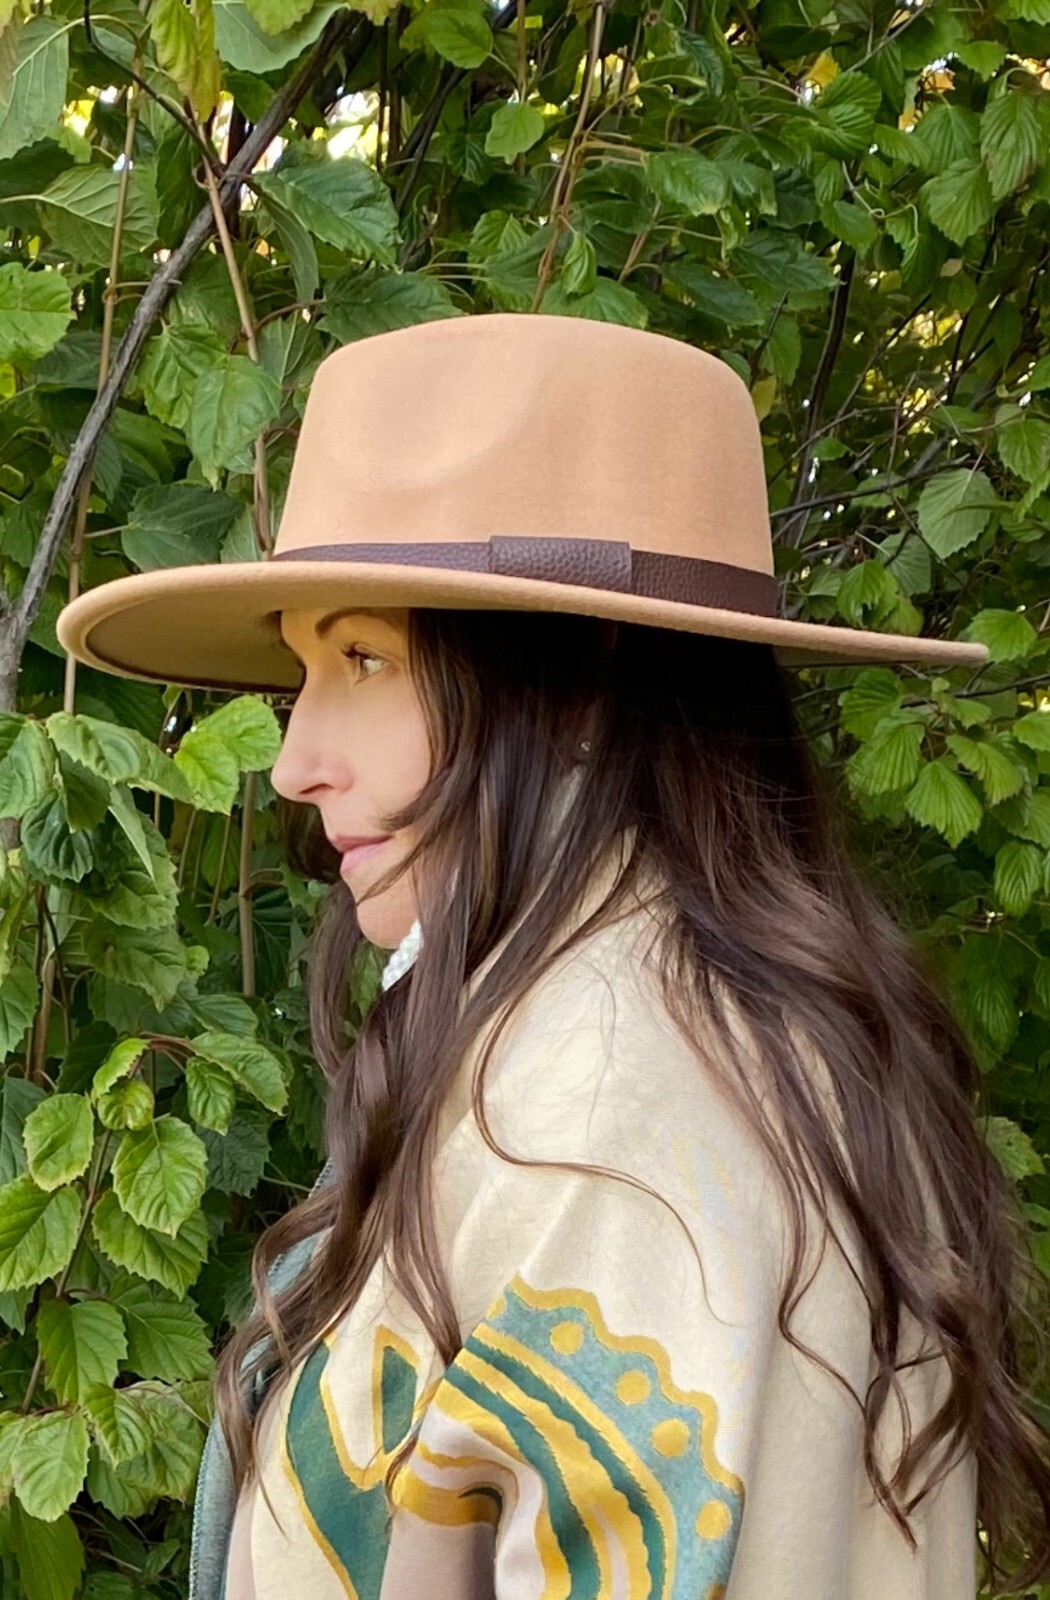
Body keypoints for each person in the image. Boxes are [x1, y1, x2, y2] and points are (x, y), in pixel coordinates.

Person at [55, 314, 1049, 1600]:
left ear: (577, 684)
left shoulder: (600, 1110)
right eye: (305, 668)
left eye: (364, 656)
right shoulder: (707, 1027)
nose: (295, 760)